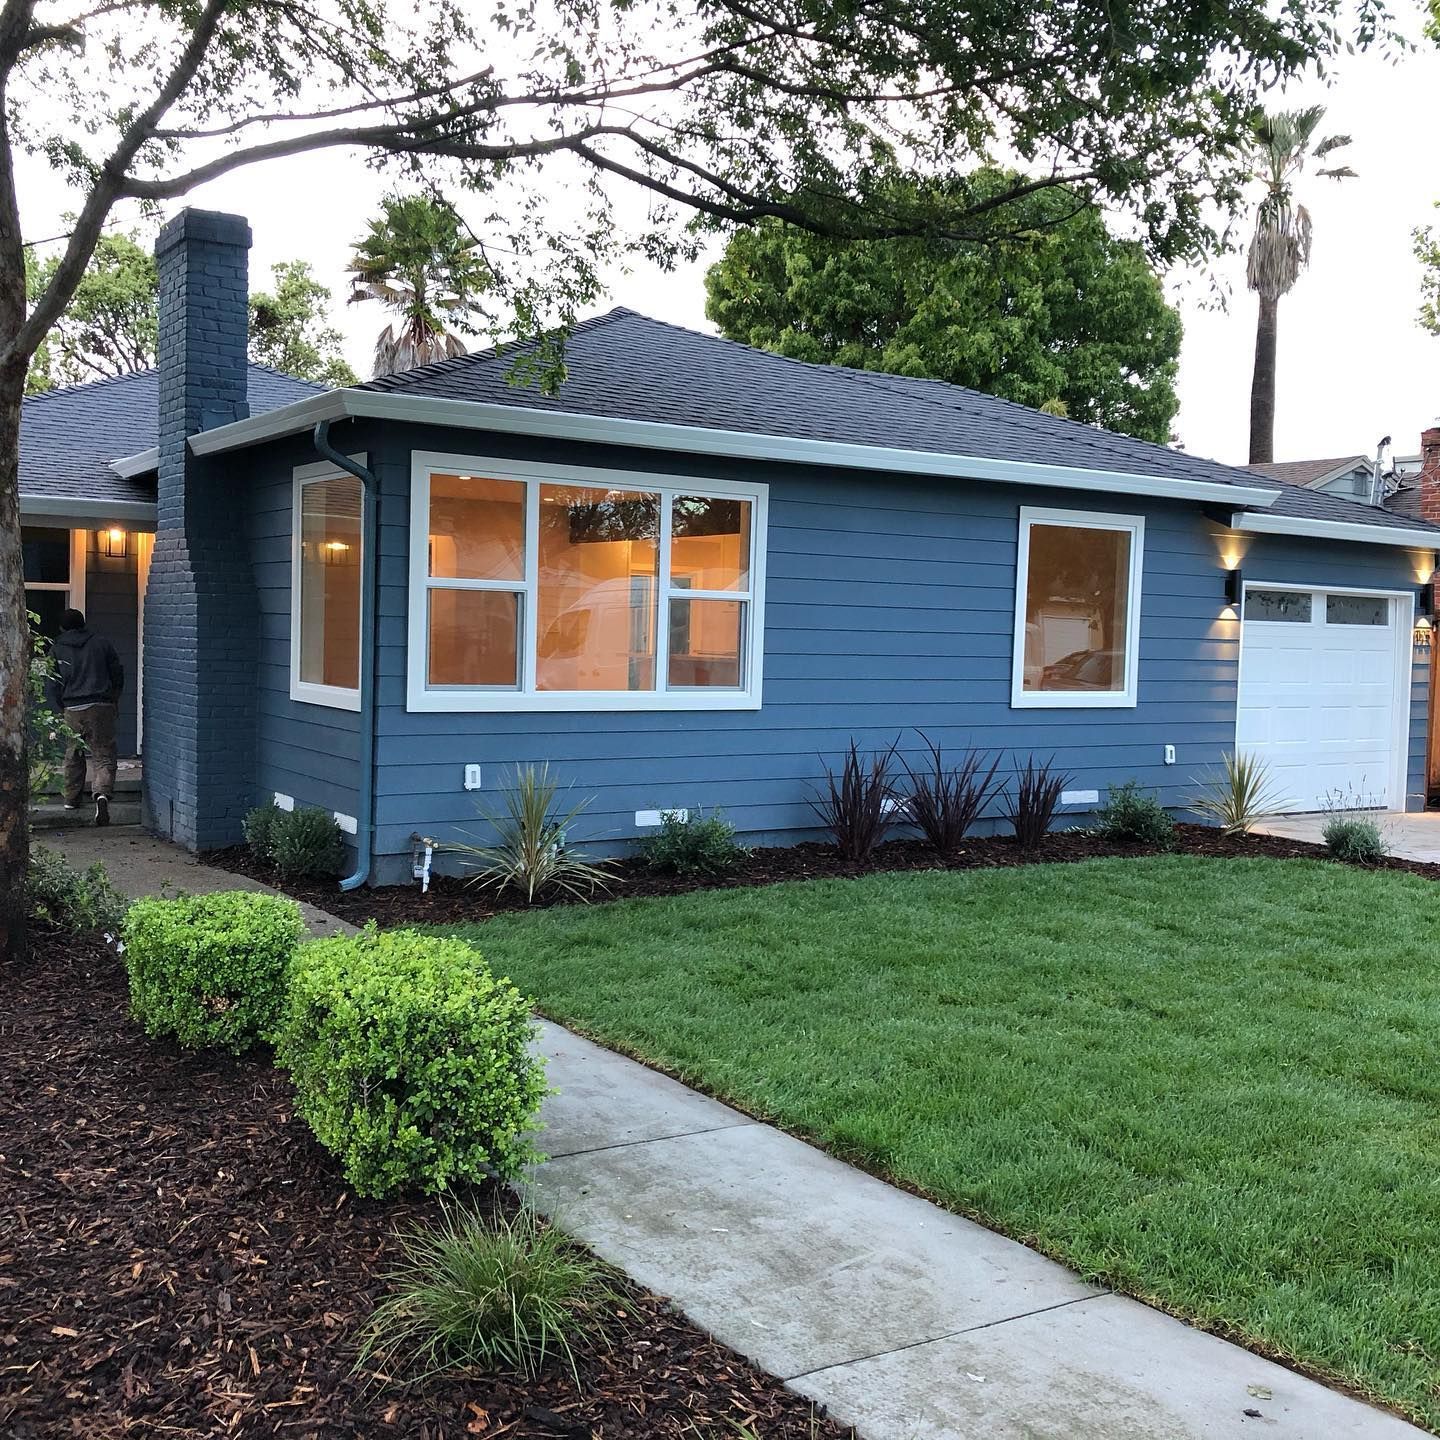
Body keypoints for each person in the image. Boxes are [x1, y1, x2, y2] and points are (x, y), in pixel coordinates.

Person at [46, 608, 125, 827]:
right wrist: (114, 697)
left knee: (73, 752)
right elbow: (117, 672)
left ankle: (71, 799)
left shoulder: (57, 648)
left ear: (62, 627)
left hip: (72, 706)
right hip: (101, 704)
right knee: (103, 754)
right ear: (83, 623)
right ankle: (101, 794)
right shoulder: (101, 643)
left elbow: (53, 682)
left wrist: (61, 706)